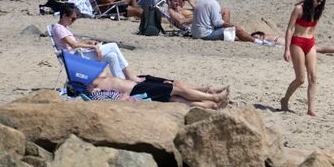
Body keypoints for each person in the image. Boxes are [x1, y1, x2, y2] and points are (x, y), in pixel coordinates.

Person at [52, 3, 143, 81]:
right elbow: (73, 44)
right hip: (75, 58)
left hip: (77, 55)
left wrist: (88, 43)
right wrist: (94, 47)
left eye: (75, 19)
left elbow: (73, 43)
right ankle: (129, 75)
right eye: (72, 18)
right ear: (64, 16)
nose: (73, 21)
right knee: (113, 46)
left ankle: (121, 81)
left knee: (112, 56)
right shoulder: (59, 28)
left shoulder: (63, 28)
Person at [281, 0, 327, 116]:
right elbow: (289, 29)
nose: (319, 3)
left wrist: (313, 43)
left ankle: (310, 109)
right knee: (300, 79)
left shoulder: (317, 10)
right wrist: (286, 49)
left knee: (313, 77)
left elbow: (313, 29)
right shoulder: (299, 9)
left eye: (322, 1)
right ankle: (284, 100)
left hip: (310, 43)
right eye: (318, 0)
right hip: (297, 43)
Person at [87, 68, 230, 108]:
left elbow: (103, 71)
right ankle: (213, 97)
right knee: (176, 89)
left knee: (174, 98)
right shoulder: (93, 87)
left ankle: (209, 104)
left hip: (138, 86)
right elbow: (101, 75)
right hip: (137, 90)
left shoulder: (97, 77)